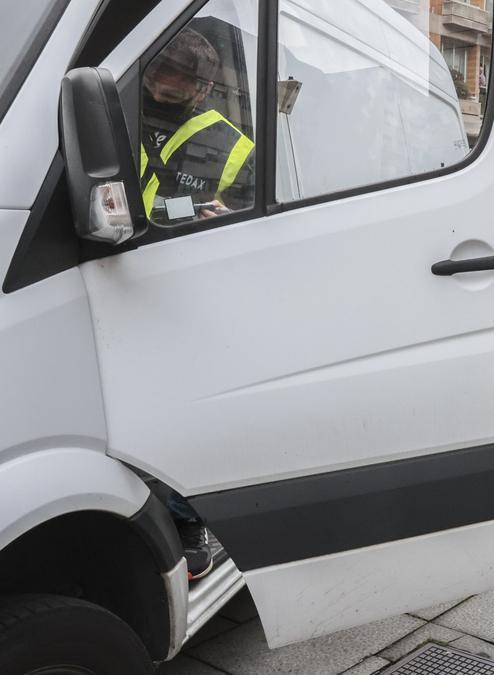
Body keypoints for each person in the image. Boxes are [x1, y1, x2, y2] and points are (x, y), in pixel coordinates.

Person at [139, 27, 255, 581]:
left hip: (187, 295)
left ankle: (188, 522)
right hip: (108, 277)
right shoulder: (111, 114)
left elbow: (258, 222)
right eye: (155, 78)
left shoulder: (235, 146)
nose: (159, 90)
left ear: (203, 89)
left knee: (184, 416)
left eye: (174, 85)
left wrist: (234, 220)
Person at [140, 27, 254, 223]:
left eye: (171, 96)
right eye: (148, 87)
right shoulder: (117, 106)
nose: (156, 97)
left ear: (204, 91)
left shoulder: (236, 150)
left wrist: (229, 224)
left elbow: (255, 229)